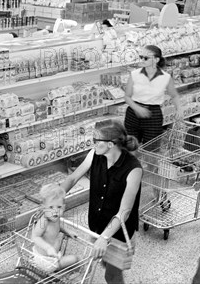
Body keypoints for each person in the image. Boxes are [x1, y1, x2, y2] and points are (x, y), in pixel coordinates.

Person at [61, 120, 142, 284]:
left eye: (96, 140)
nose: (93, 143)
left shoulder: (133, 169)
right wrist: (55, 196)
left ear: (111, 144)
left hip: (118, 233)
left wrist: (104, 238)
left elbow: (124, 211)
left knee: (112, 276)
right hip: (97, 226)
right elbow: (73, 177)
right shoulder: (95, 155)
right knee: (104, 262)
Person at [124, 45, 182, 147]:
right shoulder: (134, 74)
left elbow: (174, 95)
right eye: (141, 57)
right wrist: (137, 108)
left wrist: (179, 109)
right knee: (130, 148)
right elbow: (127, 97)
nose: (142, 60)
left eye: (145, 58)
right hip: (133, 114)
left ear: (156, 59)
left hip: (153, 115)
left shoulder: (165, 77)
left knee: (152, 149)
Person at [30, 183, 79, 273]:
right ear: (44, 208)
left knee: (68, 259)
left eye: (59, 207)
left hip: (52, 256)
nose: (55, 211)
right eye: (51, 207)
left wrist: (68, 231)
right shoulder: (44, 221)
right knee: (75, 259)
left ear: (64, 207)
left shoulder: (55, 218)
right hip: (45, 262)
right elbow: (35, 237)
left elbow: (58, 226)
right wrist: (48, 248)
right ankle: (65, 272)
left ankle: (61, 267)